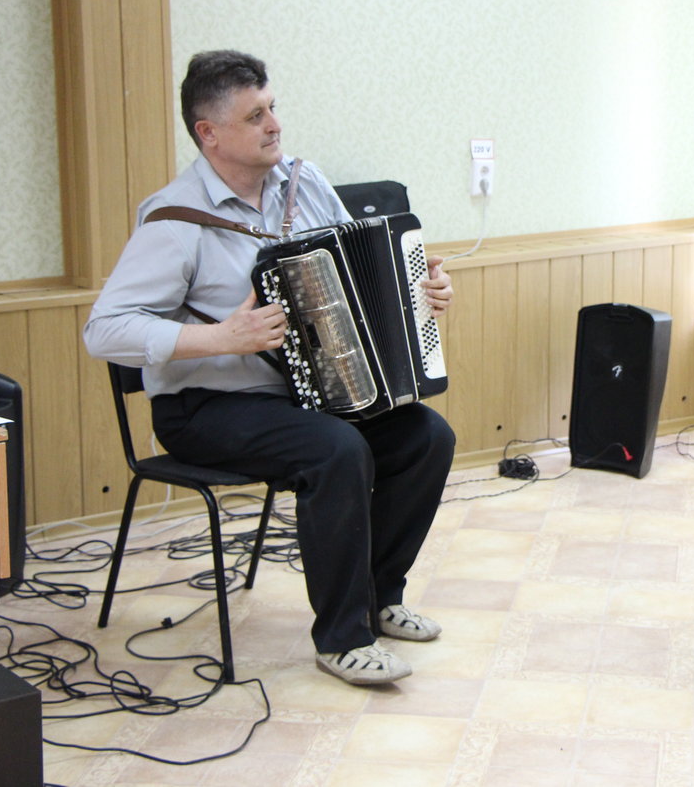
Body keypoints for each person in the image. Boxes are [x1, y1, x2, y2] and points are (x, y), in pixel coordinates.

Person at [84, 50, 456, 686]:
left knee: (426, 436)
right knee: (336, 450)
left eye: (272, 107)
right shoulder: (173, 220)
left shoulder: (305, 185)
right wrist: (222, 337)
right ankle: (342, 639)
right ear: (209, 133)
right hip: (206, 408)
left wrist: (421, 290)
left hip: (305, 399)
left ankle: (379, 597)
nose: (274, 124)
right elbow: (104, 331)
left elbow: (359, 273)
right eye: (255, 116)